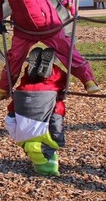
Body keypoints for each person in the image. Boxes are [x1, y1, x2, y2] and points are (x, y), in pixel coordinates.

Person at [5, 47, 67, 176]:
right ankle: (31, 71)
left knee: (58, 81)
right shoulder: (20, 140)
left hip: (45, 96)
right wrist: (14, 105)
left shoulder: (53, 142)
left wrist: (59, 102)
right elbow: (10, 119)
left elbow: (56, 119)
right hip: (22, 94)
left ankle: (48, 72)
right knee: (27, 81)